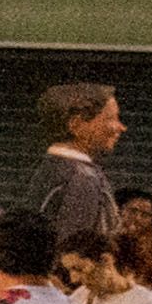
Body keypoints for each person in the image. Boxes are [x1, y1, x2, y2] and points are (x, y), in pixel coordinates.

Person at [32, 81, 126, 263]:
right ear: (76, 125)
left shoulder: (50, 167)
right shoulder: (82, 178)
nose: (120, 127)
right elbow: (73, 257)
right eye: (110, 119)